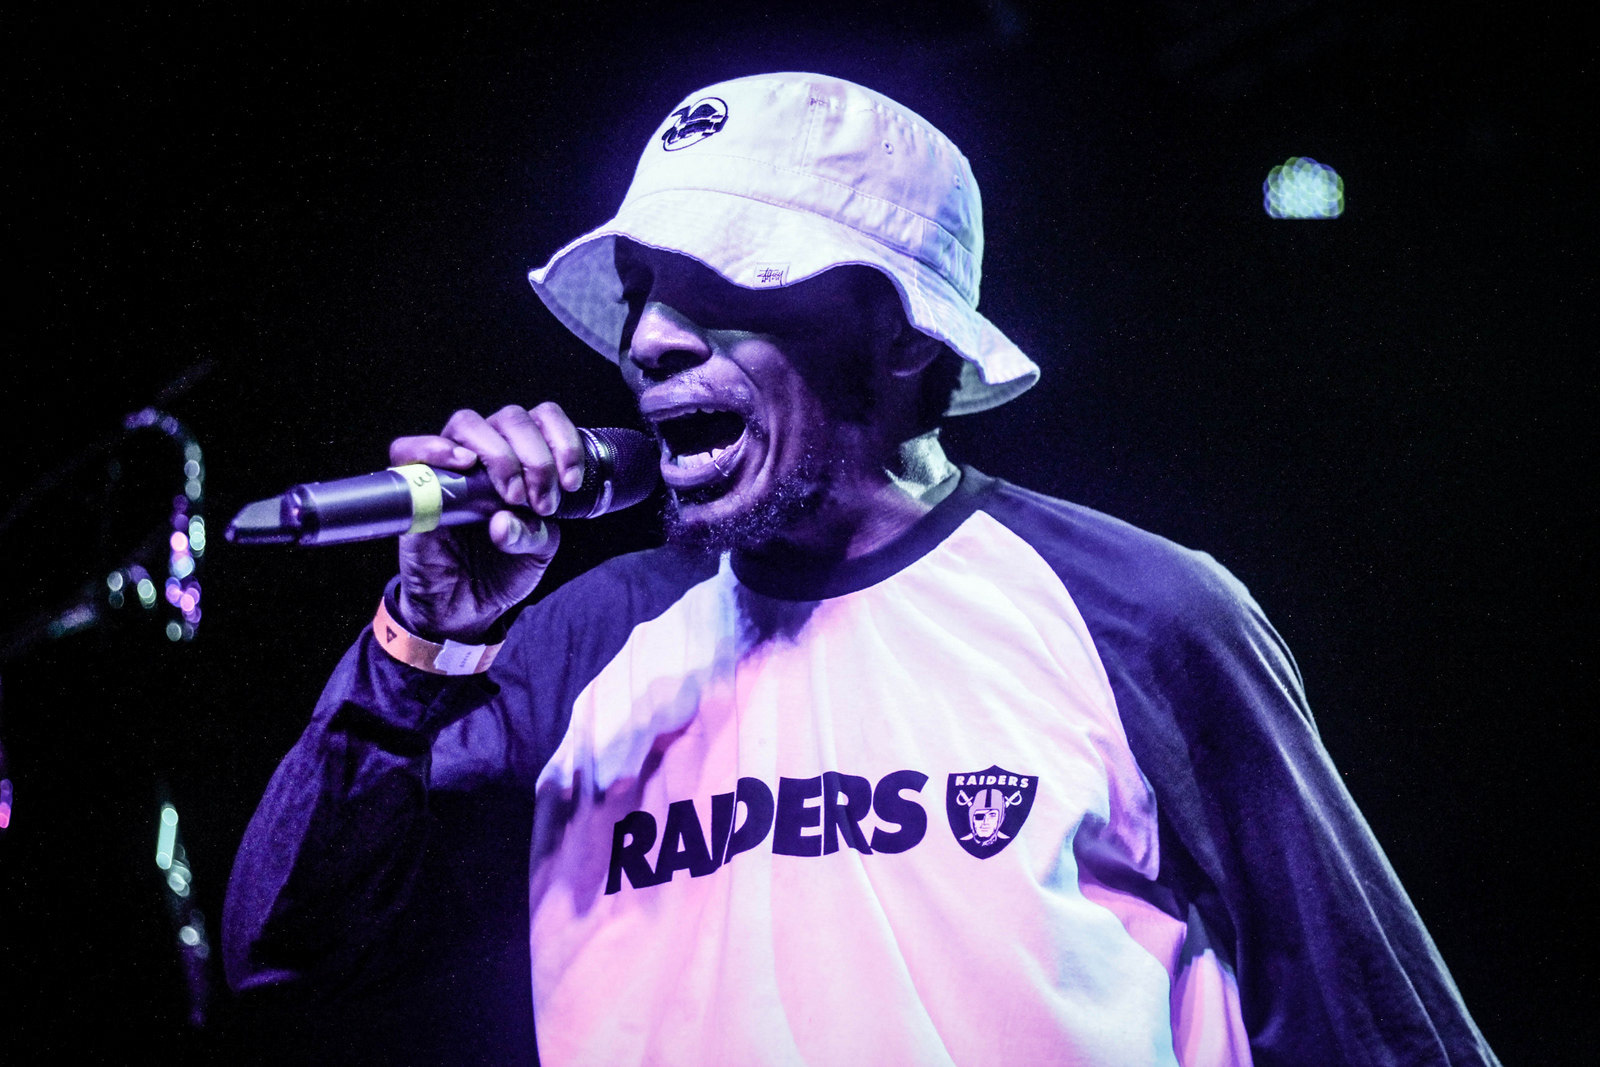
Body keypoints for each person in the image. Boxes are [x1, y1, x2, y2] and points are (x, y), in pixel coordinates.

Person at [224, 73, 1498, 1065]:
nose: (649, 340)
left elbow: (1375, 1028)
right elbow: (286, 950)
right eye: (644, 292)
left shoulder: (1141, 614)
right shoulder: (586, 640)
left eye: (718, 286)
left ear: (895, 335)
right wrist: (423, 635)